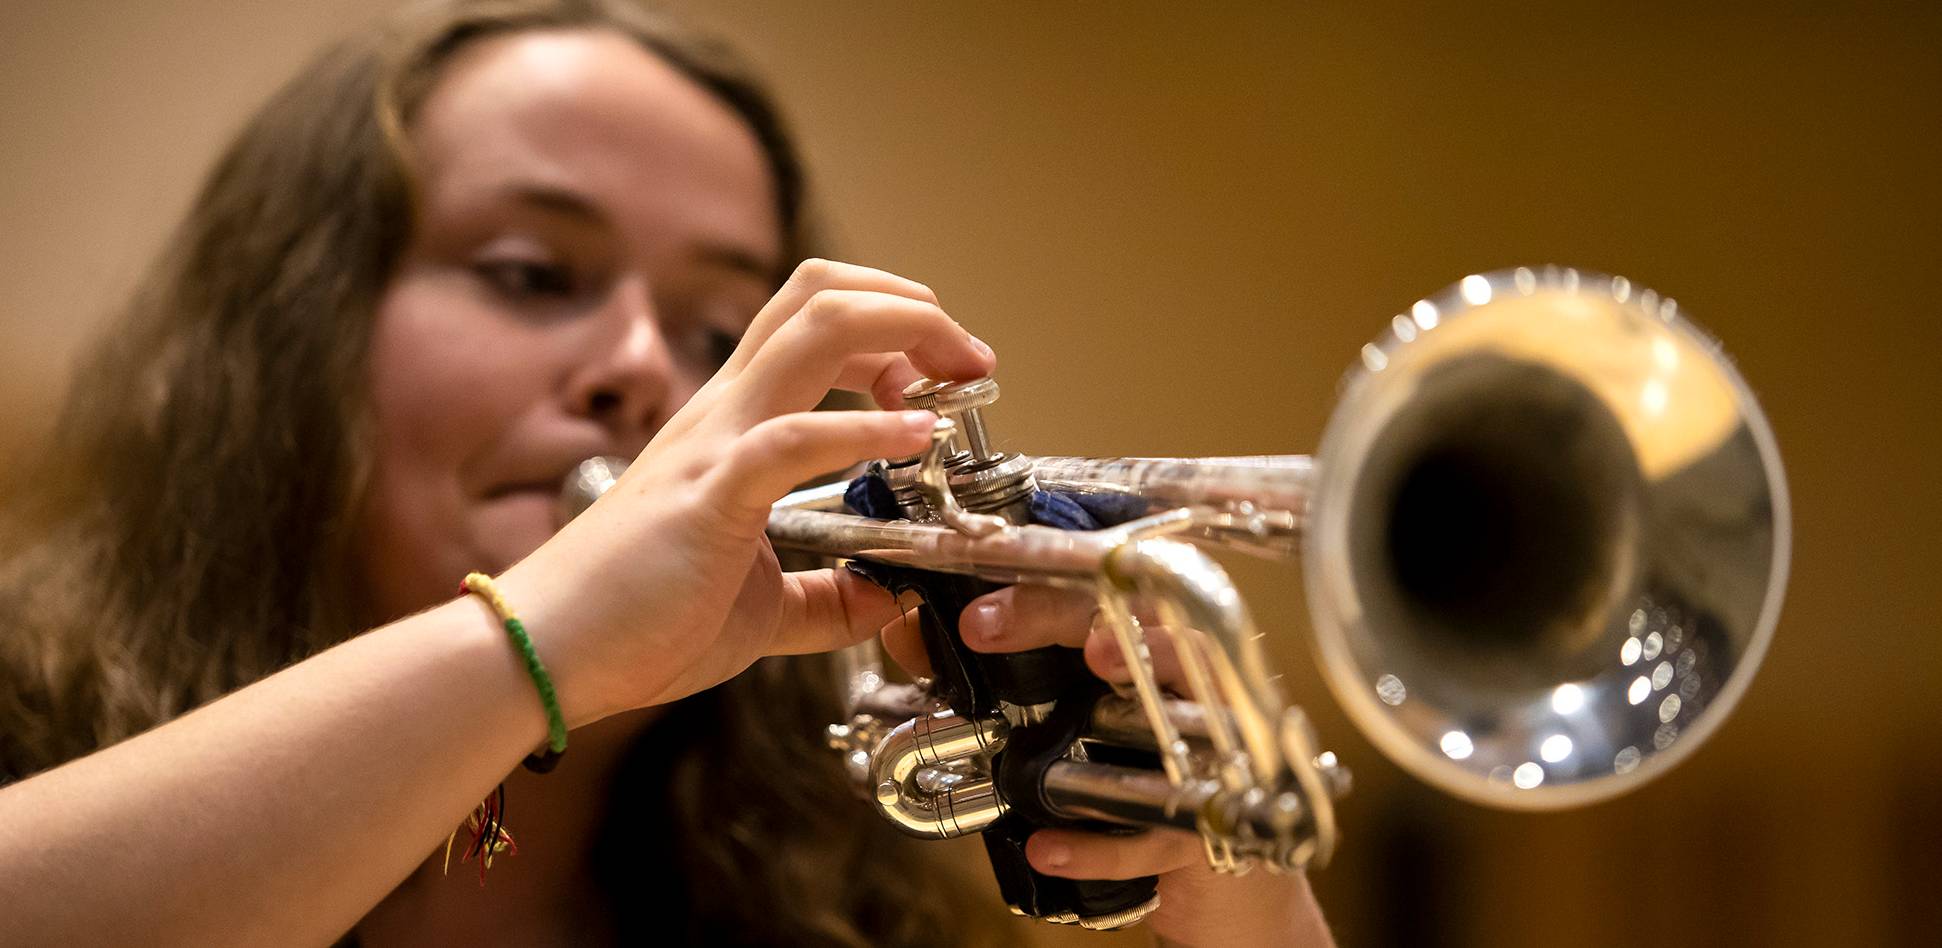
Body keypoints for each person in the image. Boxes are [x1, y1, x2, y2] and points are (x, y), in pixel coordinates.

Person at [0, 2, 1333, 945]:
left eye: (719, 333)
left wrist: (1251, 908)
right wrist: (527, 648)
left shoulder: (842, 891)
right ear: (296, 330)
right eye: (532, 275)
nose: (645, 370)